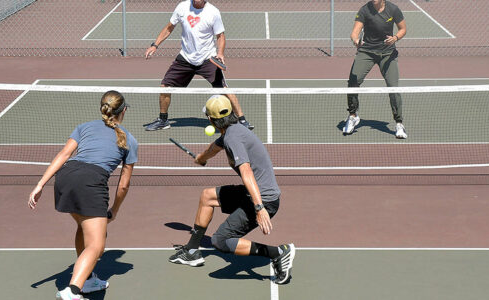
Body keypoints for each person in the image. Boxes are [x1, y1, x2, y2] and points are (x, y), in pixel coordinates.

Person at [168, 95, 295, 285]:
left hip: (264, 200)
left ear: (210, 120)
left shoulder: (233, 138)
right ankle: (192, 251)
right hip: (253, 193)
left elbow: (246, 171)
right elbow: (214, 147)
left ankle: (278, 253)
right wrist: (201, 158)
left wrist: (259, 209)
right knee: (207, 196)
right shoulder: (232, 131)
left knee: (220, 241)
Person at [28, 91, 138, 300]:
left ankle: (87, 280)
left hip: (65, 178)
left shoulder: (85, 126)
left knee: (83, 226)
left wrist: (40, 184)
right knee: (97, 245)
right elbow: (123, 185)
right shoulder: (130, 140)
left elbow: (64, 154)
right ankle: (73, 291)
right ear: (124, 111)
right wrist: (114, 210)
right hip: (90, 183)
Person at [144, 0, 253, 131]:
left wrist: (220, 53)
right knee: (165, 87)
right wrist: (155, 45)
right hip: (185, 58)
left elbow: (220, 36)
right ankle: (163, 120)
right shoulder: (182, 7)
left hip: (207, 58)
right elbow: (169, 27)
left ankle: (242, 120)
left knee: (223, 89)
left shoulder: (213, 12)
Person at [343, 0, 407, 139]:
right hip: (367, 52)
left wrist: (395, 38)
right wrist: (356, 41)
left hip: (387, 53)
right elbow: (354, 33)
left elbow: (403, 29)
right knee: (353, 82)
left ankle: (399, 123)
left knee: (393, 87)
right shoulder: (365, 10)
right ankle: (353, 116)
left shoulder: (393, 9)